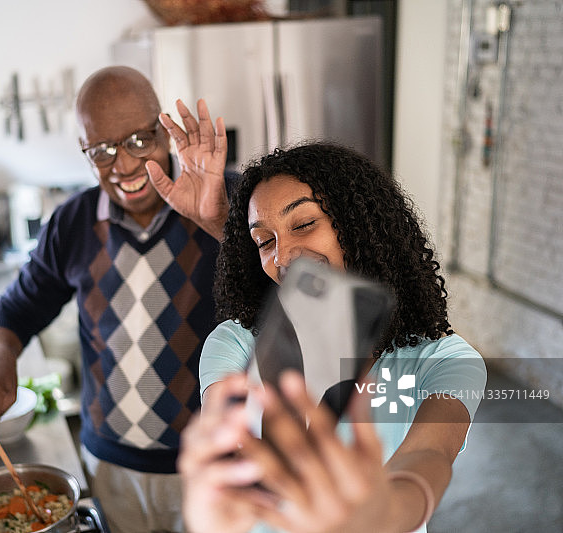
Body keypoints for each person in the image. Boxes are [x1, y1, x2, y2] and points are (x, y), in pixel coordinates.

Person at [0, 65, 231, 533]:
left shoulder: (222, 202)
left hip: (213, 466)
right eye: (100, 150)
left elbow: (282, 297)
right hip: (111, 467)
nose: (122, 166)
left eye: (139, 140)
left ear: (164, 131)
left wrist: (220, 219)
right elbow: (17, 308)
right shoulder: (73, 224)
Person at [177, 142, 487, 533]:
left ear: (359, 225)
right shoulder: (236, 344)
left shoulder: (444, 361)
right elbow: (230, 437)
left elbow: (431, 453)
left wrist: (385, 510)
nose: (283, 256)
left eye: (304, 224)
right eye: (264, 241)